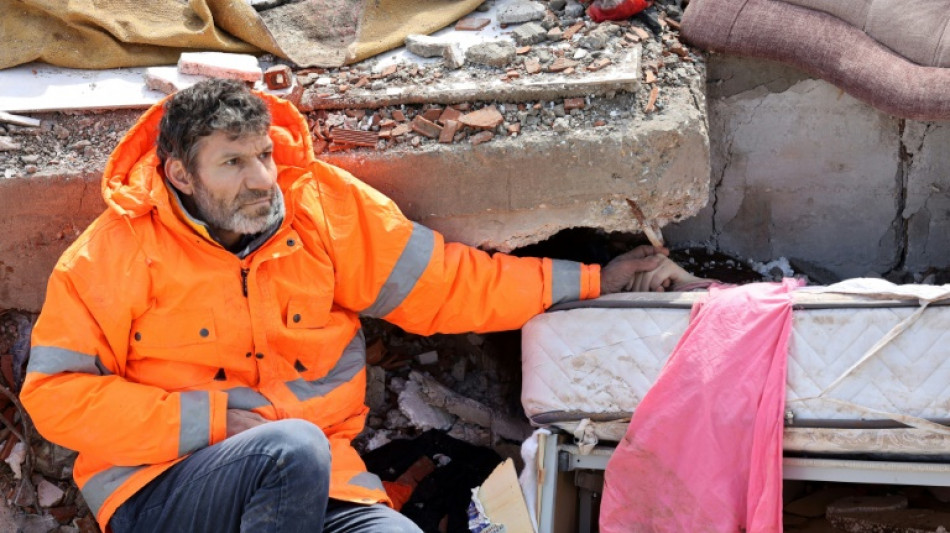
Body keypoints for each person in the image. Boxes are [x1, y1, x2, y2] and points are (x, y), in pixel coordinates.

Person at [20, 79, 696, 533]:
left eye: (263, 155)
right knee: (292, 446)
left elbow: (453, 285)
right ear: (179, 174)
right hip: (162, 493)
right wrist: (213, 418)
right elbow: (55, 397)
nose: (261, 180)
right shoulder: (112, 251)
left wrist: (592, 280)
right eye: (233, 163)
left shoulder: (319, 208)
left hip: (323, 488)